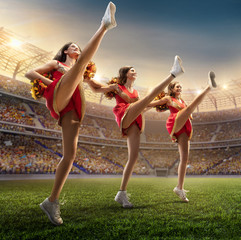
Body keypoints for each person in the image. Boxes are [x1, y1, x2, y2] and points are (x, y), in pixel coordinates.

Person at [24, 2, 117, 225]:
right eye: (73, 46)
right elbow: (30, 72)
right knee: (81, 65)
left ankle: (51, 201)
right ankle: (104, 25)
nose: (76, 48)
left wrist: (114, 88)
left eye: (78, 46)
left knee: (70, 156)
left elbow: (97, 88)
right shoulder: (57, 63)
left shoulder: (81, 72)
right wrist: (51, 84)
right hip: (57, 95)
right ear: (66, 51)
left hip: (74, 109)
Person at [86, 56, 185, 208]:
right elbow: (98, 88)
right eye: (132, 70)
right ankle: (173, 74)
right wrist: (87, 78)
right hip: (125, 114)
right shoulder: (117, 87)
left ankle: (122, 193)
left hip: (136, 120)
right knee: (149, 96)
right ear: (125, 74)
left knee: (133, 158)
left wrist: (158, 103)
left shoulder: (136, 92)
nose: (135, 72)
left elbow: (143, 107)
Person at [148, 71, 217, 202]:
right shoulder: (169, 99)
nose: (179, 88)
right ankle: (208, 86)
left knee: (184, 159)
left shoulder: (182, 101)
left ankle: (179, 188)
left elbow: (188, 112)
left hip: (185, 126)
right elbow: (154, 103)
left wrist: (188, 114)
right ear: (172, 89)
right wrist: (143, 104)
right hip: (175, 121)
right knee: (192, 107)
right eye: (177, 86)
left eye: (180, 87)